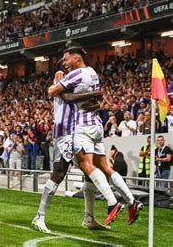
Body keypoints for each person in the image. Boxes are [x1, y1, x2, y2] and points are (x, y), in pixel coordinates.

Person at [48, 46, 142, 227]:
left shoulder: (76, 74)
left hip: (82, 125)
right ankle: (132, 201)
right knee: (103, 167)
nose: (65, 64)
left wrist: (57, 82)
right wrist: (95, 94)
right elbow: (90, 95)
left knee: (85, 165)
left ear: (77, 59)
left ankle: (112, 202)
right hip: (97, 124)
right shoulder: (92, 73)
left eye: (66, 59)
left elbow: (54, 93)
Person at [33, 58, 109, 233]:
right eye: (68, 67)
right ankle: (40, 216)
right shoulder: (61, 82)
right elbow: (64, 96)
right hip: (65, 131)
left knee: (90, 171)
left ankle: (89, 218)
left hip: (78, 130)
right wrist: (93, 95)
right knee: (59, 172)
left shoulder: (73, 83)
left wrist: (94, 104)